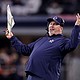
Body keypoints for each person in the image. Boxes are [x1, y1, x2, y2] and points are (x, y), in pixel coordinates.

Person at [5, 13, 80, 80]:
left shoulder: (63, 41)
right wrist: (12, 38)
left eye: (55, 24)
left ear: (61, 28)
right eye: (50, 24)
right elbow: (24, 50)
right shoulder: (41, 40)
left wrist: (76, 26)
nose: (51, 25)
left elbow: (73, 44)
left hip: (46, 77)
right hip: (32, 75)